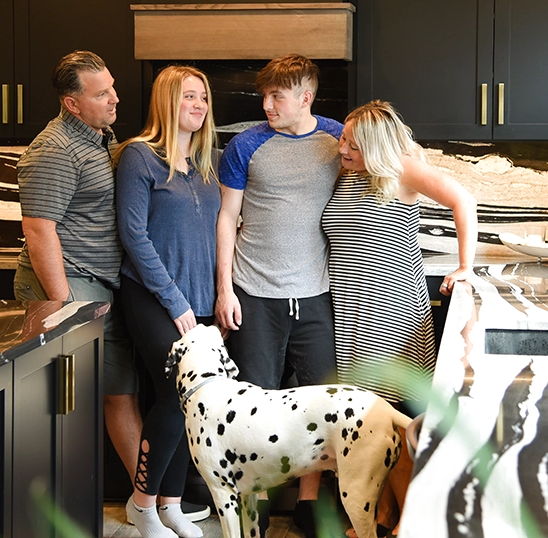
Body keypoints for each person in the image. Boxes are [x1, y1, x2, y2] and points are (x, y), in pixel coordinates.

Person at [321, 100, 477, 536]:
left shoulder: (403, 170)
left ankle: (411, 524)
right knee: (372, 429)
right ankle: (385, 518)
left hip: (395, 318)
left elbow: (463, 199)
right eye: (343, 138)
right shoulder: (346, 173)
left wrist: (466, 265)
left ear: (375, 145)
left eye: (351, 142)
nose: (341, 147)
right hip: (350, 318)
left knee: (402, 428)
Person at [12, 51, 149, 519]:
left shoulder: (99, 137)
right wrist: (63, 307)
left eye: (111, 87)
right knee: (64, 403)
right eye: (101, 93)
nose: (114, 98)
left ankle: (143, 503)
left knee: (119, 392)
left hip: (102, 286)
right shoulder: (53, 149)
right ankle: (54, 508)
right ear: (72, 104)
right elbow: (39, 229)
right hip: (67, 287)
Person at [215, 53, 343, 537]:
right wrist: (224, 290)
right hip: (254, 293)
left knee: (316, 402)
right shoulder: (246, 145)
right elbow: (227, 218)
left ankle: (309, 502)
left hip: (317, 293)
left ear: (305, 98)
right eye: (264, 95)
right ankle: (260, 496)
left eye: (277, 96)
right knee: (255, 403)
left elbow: (389, 156)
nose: (266, 104)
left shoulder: (337, 138)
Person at [114, 65, 220, 538]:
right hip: (152, 295)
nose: (198, 105)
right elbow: (133, 235)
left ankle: (171, 505)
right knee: (176, 396)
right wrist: (175, 302)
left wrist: (218, 293)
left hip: (197, 298)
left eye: (202, 98)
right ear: (166, 102)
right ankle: (141, 506)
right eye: (188, 97)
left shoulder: (205, 162)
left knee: (191, 401)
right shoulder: (140, 157)